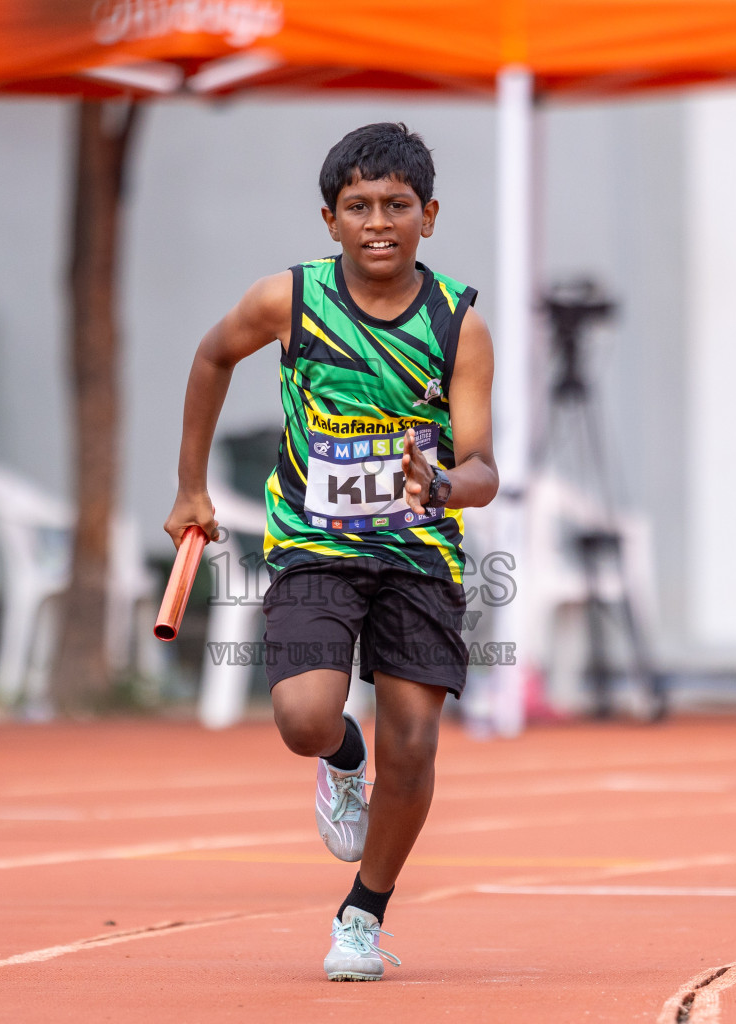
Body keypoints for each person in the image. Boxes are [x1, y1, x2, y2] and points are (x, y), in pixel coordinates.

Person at [163, 123, 497, 981]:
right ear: (329, 218)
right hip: (314, 543)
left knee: (415, 747)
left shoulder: (458, 323)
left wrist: (447, 485)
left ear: (429, 214)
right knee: (304, 719)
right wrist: (190, 489)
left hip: (420, 555)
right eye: (358, 207)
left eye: (395, 206)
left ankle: (364, 912)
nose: (377, 222)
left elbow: (485, 468)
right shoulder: (289, 301)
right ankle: (343, 762)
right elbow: (210, 357)